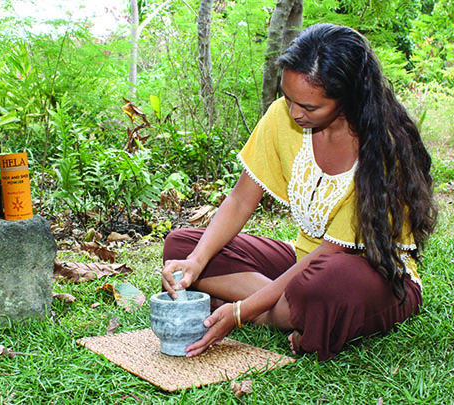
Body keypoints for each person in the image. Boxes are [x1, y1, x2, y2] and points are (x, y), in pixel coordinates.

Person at [161, 23, 438, 361]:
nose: (294, 113)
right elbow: (239, 199)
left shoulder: (382, 148)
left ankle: (278, 310)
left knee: (320, 288)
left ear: (347, 97)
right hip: (301, 261)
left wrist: (240, 312)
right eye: (288, 98)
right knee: (182, 245)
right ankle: (288, 314)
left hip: (369, 274)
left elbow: (330, 254)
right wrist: (196, 261)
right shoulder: (282, 117)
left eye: (309, 107)